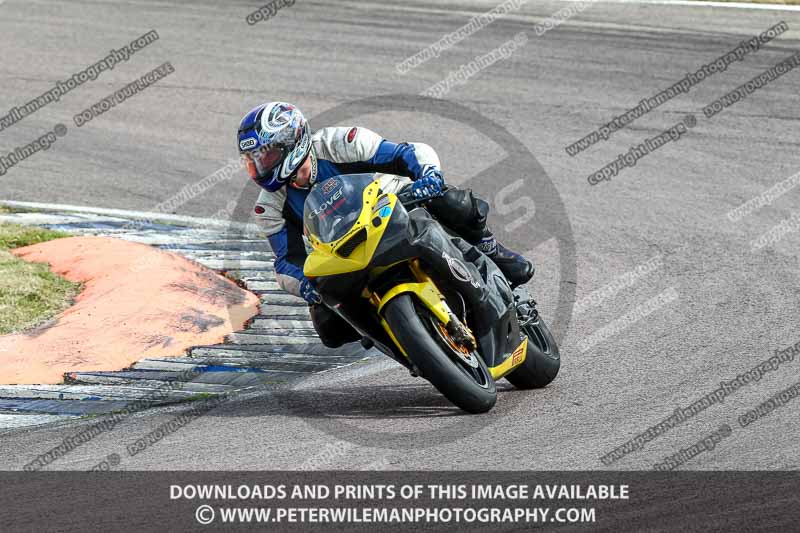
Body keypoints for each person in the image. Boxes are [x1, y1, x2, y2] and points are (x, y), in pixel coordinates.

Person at [237, 101, 533, 310]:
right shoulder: (269, 207)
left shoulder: (339, 143)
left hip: (394, 208)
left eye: (267, 156)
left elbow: (405, 153)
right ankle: (402, 339)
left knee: (448, 200)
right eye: (253, 161)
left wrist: (428, 175)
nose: (260, 166)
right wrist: (303, 283)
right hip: (343, 252)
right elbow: (286, 261)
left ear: (293, 142)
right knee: (328, 324)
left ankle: (490, 249)